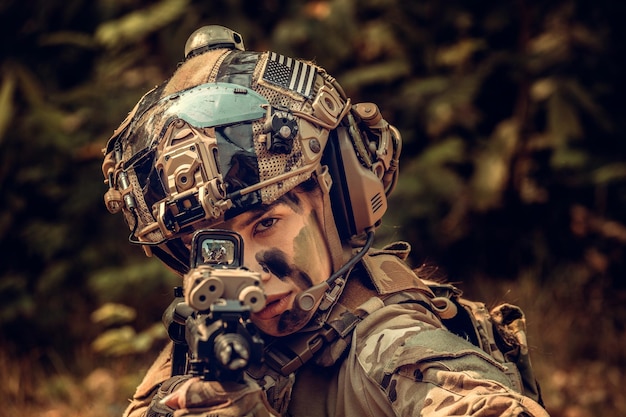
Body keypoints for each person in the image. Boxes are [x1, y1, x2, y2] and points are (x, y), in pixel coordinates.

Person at [102, 25, 550, 417]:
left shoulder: (392, 346)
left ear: (336, 201)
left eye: (265, 224)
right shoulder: (206, 346)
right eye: (213, 249)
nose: (248, 275)